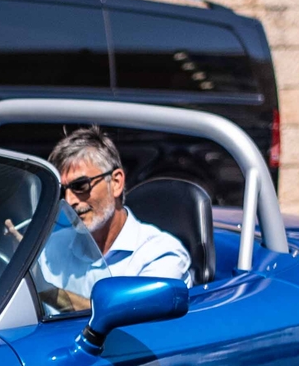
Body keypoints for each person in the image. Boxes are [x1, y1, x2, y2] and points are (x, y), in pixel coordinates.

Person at [33, 126, 193, 314]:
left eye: (80, 185)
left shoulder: (161, 255)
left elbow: (126, 322)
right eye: (62, 191)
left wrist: (48, 291)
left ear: (116, 183)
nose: (69, 201)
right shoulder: (51, 249)